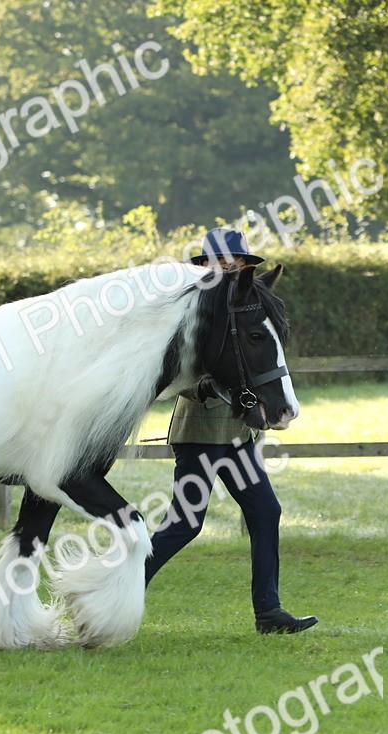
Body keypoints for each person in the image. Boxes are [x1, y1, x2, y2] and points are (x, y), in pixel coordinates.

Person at [144, 228, 317, 634]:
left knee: (266, 511)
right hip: (201, 433)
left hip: (239, 436)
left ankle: (269, 613)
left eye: (234, 261)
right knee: (185, 524)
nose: (227, 266)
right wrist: (205, 387)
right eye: (219, 260)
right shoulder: (191, 306)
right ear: (205, 264)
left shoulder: (245, 303)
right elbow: (172, 370)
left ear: (242, 264)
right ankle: (121, 587)